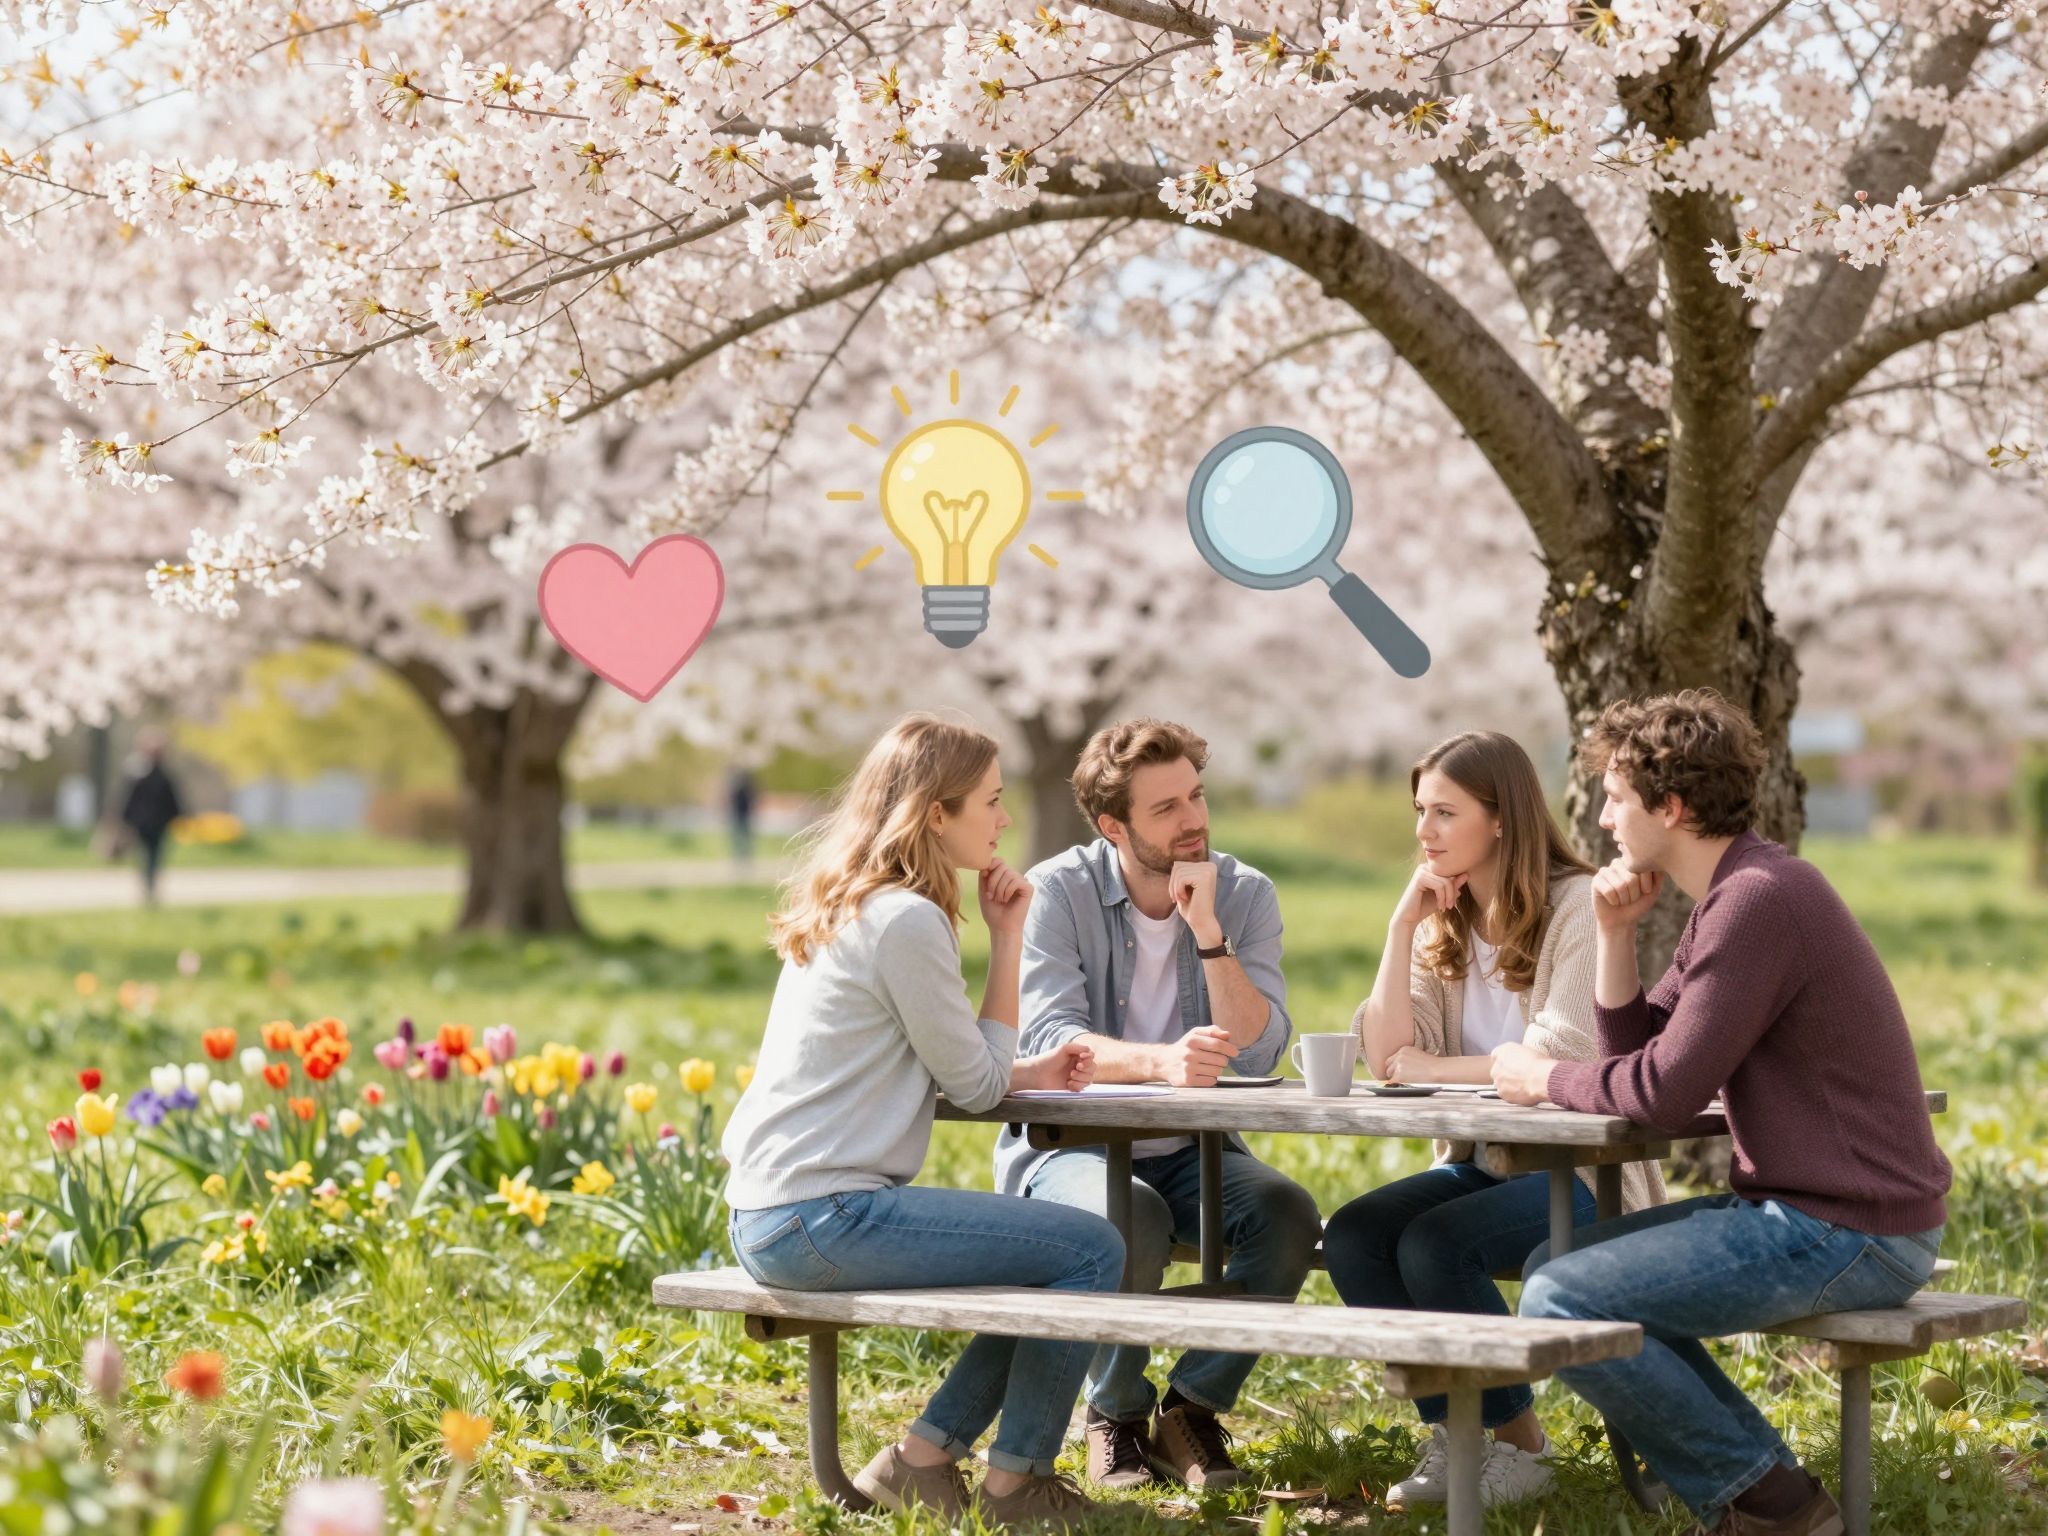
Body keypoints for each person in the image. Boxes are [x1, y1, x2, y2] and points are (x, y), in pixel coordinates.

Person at [1496, 689, 1951, 1536]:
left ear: (1670, 807)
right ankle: (1767, 1491)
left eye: (1616, 798)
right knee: (1554, 1268)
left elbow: (1657, 1094)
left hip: (1851, 1230)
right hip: (1817, 1214)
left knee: (1563, 1299)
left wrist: (1539, 1078)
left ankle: (1769, 1506)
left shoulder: (1760, 902)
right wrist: (1617, 939)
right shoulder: (1734, 895)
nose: (1601, 817)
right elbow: (1638, 1055)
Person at [720, 713, 1127, 1528]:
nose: (1004, 820)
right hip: (823, 1217)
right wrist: (1009, 938)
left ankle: (924, 1461)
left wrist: (1026, 1071)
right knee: (1090, 1248)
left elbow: (924, 1064)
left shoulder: (855, 906)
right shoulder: (907, 920)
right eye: (991, 801)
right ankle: (1018, 1485)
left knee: (1047, 1261)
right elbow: (973, 1091)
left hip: (774, 1212)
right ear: (935, 813)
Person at [1324, 730, 1665, 1511]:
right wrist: (1399, 928)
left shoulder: (1575, 906)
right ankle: (1461, 1435)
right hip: (1486, 1167)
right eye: (1420, 811)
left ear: (1501, 817)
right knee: (1353, 1235)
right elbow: (1387, 1054)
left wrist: (1433, 1070)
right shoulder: (1443, 920)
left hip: (1582, 1175)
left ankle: (1520, 1447)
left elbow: (1563, 1053)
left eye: (1445, 812)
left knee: (1438, 1242)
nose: (1424, 831)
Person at [999, 718, 1322, 1492]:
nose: (1194, 820)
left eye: (1197, 796)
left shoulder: (1242, 893)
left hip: (1192, 1151)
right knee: (1128, 1218)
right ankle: (1114, 1414)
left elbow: (1259, 1048)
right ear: (1114, 826)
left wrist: (1208, 932)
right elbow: (1051, 1036)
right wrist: (1161, 1063)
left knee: (1287, 1216)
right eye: (1166, 808)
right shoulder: (1059, 892)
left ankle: (1191, 1407)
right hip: (1066, 1150)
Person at [117, 728, 184, 908]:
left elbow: (172, 799)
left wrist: (178, 817)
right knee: (146, 857)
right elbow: (129, 799)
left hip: (158, 824)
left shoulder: (162, 775)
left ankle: (150, 887)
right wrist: (124, 819)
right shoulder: (138, 773)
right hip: (142, 824)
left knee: (153, 857)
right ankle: (148, 887)